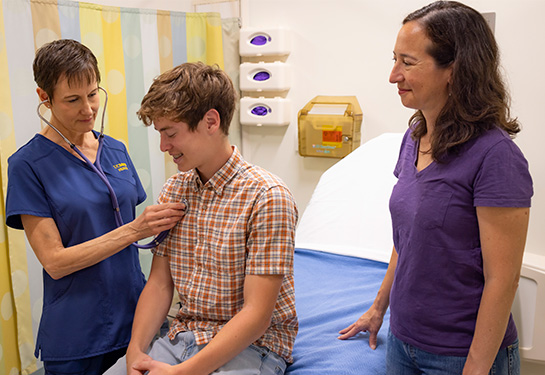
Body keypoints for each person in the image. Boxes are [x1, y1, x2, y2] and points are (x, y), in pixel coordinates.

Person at [338, 1, 533, 374]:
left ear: (454, 70)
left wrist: (476, 368)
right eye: (394, 60)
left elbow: (502, 281)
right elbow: (408, 238)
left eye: (408, 63)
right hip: (404, 343)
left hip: (462, 355)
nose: (393, 75)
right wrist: (379, 308)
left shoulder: (496, 156)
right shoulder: (415, 137)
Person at [104, 61, 299, 375]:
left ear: (210, 121)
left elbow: (257, 314)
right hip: (183, 335)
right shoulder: (175, 190)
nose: (163, 146)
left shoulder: (267, 197)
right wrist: (135, 352)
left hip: (250, 345)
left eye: (170, 134)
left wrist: (182, 373)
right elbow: (159, 283)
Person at [5, 39, 186, 375]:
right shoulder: (27, 165)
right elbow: (55, 262)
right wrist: (135, 229)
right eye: (72, 100)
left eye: (92, 94)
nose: (88, 109)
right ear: (44, 97)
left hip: (136, 321)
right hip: (78, 334)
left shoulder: (115, 150)